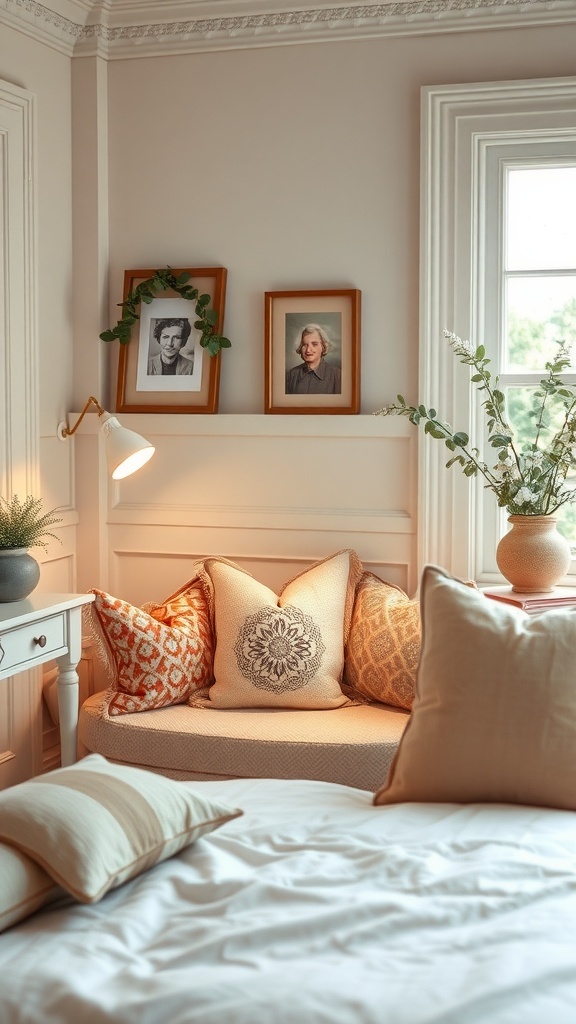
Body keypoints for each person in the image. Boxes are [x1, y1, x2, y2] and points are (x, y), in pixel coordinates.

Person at [285, 324, 342, 395]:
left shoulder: (337, 375)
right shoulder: (292, 375)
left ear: (323, 347)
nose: (308, 350)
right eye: (304, 344)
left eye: (314, 344)